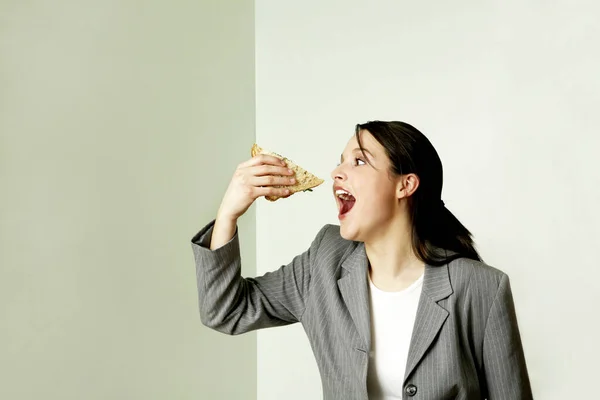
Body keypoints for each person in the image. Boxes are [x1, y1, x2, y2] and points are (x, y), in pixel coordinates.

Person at [191, 121, 533, 399]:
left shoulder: (480, 287)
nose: (337, 172)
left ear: (406, 185)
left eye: (358, 161)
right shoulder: (323, 261)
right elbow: (226, 310)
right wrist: (229, 212)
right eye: (340, 160)